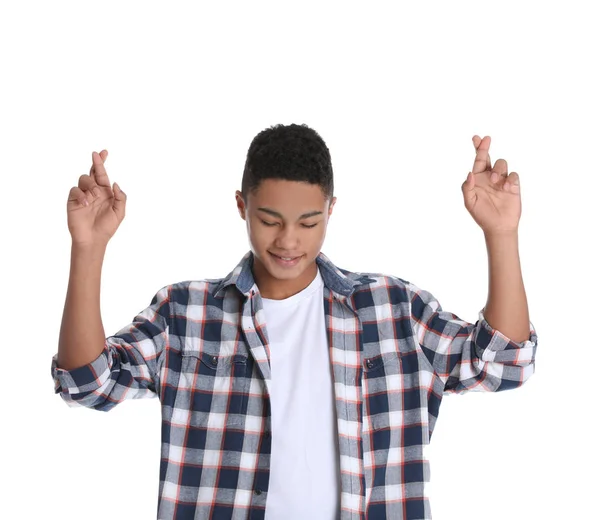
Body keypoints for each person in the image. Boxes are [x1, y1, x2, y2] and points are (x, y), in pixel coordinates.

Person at [51, 123, 538, 520]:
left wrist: (501, 233)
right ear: (241, 206)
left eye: (308, 222)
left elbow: (506, 364)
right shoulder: (185, 314)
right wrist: (88, 248)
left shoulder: (394, 310)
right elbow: (86, 383)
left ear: (331, 210)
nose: (288, 240)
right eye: (269, 220)